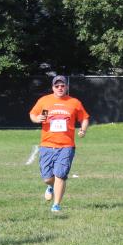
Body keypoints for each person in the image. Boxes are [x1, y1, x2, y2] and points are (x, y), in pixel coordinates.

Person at [29, 75, 90, 212]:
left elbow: (85, 118)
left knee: (60, 175)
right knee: (47, 178)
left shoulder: (74, 102)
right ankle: (50, 186)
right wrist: (37, 119)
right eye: (57, 86)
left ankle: (56, 205)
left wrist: (83, 130)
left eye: (62, 86)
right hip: (47, 145)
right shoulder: (44, 100)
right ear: (53, 88)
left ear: (66, 87)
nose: (60, 88)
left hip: (66, 146)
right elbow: (33, 114)